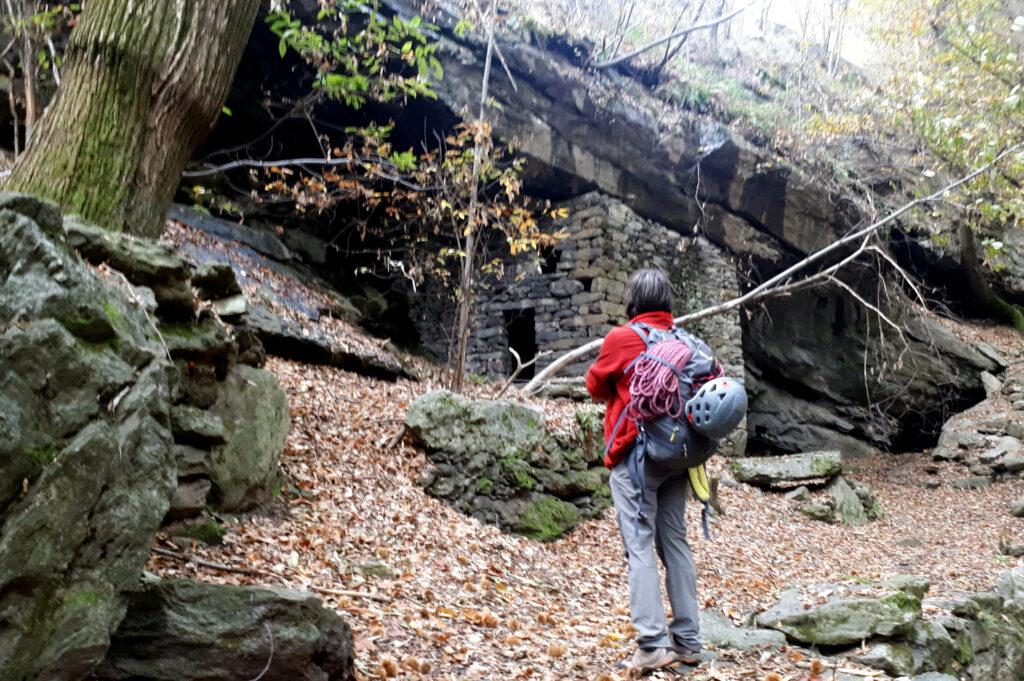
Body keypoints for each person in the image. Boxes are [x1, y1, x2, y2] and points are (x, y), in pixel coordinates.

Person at [585, 268, 702, 673]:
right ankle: (688, 640)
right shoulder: (685, 341)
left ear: (632, 300)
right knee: (675, 543)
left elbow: (595, 386)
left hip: (636, 457)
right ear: (669, 302)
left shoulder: (621, 339)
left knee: (639, 546)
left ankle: (653, 644)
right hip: (679, 458)